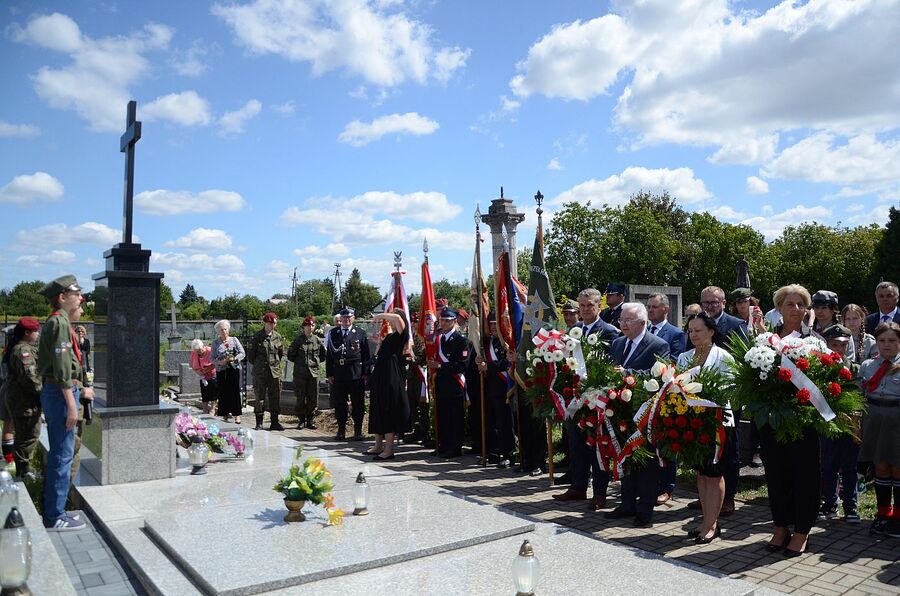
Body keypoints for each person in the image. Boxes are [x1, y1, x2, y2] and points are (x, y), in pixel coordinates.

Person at [760, 284, 819, 556]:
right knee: (776, 475)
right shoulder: (764, 342)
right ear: (780, 308)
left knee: (804, 476)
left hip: (803, 422)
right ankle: (780, 526)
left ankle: (801, 532)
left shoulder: (815, 341)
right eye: (789, 304)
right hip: (773, 422)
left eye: (800, 304)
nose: (795, 309)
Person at [605, 302, 670, 528]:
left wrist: (628, 373)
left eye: (628, 320)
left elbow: (659, 374)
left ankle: (645, 510)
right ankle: (627, 504)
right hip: (621, 411)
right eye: (622, 320)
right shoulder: (617, 343)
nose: (623, 324)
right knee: (625, 458)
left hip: (645, 414)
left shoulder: (658, 344)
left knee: (646, 464)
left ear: (643, 323)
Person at [553, 288, 620, 507]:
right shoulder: (574, 330)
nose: (585, 309)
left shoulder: (610, 332)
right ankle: (577, 487)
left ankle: (600, 493)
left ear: (598, 306)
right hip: (575, 398)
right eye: (582, 306)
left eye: (590, 305)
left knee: (597, 447)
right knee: (577, 444)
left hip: (597, 399)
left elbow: (611, 365)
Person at [37, 275, 93, 531]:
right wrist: (72, 403)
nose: (81, 297)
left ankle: (56, 510)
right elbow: (61, 371)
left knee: (63, 453)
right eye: (76, 292)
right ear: (62, 297)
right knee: (62, 455)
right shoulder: (59, 323)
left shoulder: (59, 322)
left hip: (59, 391)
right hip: (61, 393)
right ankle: (54, 516)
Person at [677, 313, 735, 543]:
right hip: (692, 424)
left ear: (711, 331)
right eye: (690, 331)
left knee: (714, 474)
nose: (693, 335)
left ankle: (713, 524)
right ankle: (705, 520)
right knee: (701, 474)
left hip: (717, 422)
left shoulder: (724, 357)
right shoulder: (684, 357)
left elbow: (730, 388)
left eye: (698, 330)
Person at [859, 322, 900, 538]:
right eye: (882, 340)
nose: (887, 345)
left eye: (892, 340)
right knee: (881, 467)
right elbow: (859, 396)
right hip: (874, 420)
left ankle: (898, 518)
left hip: (897, 421)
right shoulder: (867, 365)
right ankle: (883, 513)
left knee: (898, 469)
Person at [646, 293, 687, 506]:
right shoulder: (642, 331)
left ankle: (667, 486)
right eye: (649, 307)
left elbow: (673, 360)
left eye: (654, 307)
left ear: (665, 309)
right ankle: (648, 484)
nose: (650, 310)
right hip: (643, 394)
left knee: (665, 442)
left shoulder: (676, 334)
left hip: (664, 393)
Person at [818, 324, 861, 524]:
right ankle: (829, 503)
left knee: (849, 467)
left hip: (849, 425)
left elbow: (860, 396)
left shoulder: (855, 369)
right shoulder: (818, 368)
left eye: (843, 345)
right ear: (826, 345)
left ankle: (851, 506)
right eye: (833, 344)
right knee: (829, 465)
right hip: (827, 424)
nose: (838, 349)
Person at [365, 310, 410, 460]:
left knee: (388, 409)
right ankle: (378, 445)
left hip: (391, 374)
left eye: (391, 317)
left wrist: (379, 316)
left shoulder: (401, 334)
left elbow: (397, 317)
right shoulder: (390, 336)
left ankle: (389, 449)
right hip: (381, 373)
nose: (390, 321)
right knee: (377, 408)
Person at [3, 318, 42, 480]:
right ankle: (23, 471)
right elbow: (30, 378)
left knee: (25, 434)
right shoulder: (22, 351)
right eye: (36, 331)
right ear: (27, 333)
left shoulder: (22, 348)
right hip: (24, 402)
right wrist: (43, 393)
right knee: (27, 435)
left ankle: (24, 468)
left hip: (22, 400)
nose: (38, 334)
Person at [476, 312, 516, 468]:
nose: (493, 327)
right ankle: (493, 453)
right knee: (491, 422)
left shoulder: (505, 342)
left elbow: (507, 362)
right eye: (491, 324)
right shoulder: (486, 343)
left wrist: (488, 366)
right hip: (489, 388)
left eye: (495, 324)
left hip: (503, 388)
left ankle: (509, 455)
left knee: (505, 424)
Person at [428, 307, 468, 458]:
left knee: (454, 418)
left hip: (454, 384)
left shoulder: (460, 340)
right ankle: (443, 445)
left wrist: (440, 366)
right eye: (442, 320)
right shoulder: (439, 339)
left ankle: (454, 448)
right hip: (441, 383)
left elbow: (462, 365)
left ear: (454, 321)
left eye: (447, 320)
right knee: (442, 416)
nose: (443, 323)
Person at [326, 307, 371, 441]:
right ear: (341, 319)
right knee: (340, 403)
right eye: (344, 317)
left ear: (353, 318)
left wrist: (366, 373)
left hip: (355, 373)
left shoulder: (360, 333)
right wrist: (329, 373)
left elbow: (366, 355)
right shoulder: (333, 333)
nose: (346, 320)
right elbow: (329, 354)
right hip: (339, 373)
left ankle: (357, 431)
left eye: (349, 317)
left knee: (358, 403)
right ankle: (341, 431)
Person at [247, 312, 285, 431]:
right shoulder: (256, 337)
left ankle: (275, 422)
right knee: (260, 397)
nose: (272, 325)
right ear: (265, 323)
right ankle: (259, 422)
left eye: (274, 323)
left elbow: (280, 353)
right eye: (270, 323)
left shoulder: (277, 337)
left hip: (274, 372)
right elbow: (251, 356)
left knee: (275, 397)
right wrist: (260, 365)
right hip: (260, 372)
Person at [288, 316, 325, 430]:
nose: (310, 328)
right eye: (308, 326)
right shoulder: (298, 341)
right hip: (300, 374)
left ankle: (310, 420)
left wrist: (314, 364)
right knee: (300, 397)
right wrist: (301, 364)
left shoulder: (317, 340)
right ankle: (301, 420)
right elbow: (291, 356)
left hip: (313, 373)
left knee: (313, 397)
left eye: (312, 325)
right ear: (304, 327)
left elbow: (323, 356)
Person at [212, 319, 245, 425]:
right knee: (223, 392)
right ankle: (225, 414)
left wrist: (234, 359)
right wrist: (219, 362)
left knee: (234, 391)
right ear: (218, 332)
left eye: (225, 329)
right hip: (222, 370)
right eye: (221, 330)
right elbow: (212, 358)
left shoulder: (234, 340)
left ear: (228, 330)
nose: (224, 331)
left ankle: (237, 415)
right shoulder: (215, 343)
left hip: (233, 369)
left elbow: (242, 353)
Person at [403, 312, 428, 444]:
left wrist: (411, 358)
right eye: (412, 321)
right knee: (412, 405)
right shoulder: (410, 337)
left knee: (422, 405)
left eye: (416, 321)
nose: (414, 324)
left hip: (421, 376)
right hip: (411, 376)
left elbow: (421, 357)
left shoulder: (422, 338)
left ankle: (425, 433)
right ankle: (416, 430)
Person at [190, 339, 217, 415]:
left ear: (203, 346)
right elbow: (193, 365)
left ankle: (212, 409)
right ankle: (205, 409)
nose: (198, 352)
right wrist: (200, 373)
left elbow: (216, 363)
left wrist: (207, 369)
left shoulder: (210, 351)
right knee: (204, 392)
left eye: (199, 350)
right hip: (202, 375)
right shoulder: (194, 353)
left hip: (212, 374)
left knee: (213, 392)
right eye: (196, 351)